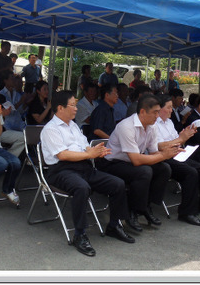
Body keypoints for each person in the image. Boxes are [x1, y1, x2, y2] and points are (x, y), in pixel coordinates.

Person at [40, 90, 134, 256]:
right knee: (81, 187)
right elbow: (63, 155)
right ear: (60, 108)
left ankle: (114, 225)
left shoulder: (73, 126)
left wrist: (96, 151)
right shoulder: (50, 129)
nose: (76, 108)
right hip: (61, 170)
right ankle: (80, 234)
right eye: (73, 105)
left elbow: (85, 147)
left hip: (83, 166)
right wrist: (89, 155)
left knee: (117, 184)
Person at [99, 94, 181, 231]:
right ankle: (133, 211)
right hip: (112, 163)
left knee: (164, 168)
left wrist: (170, 152)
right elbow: (136, 160)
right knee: (144, 171)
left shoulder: (152, 126)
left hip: (131, 162)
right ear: (142, 111)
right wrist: (164, 155)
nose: (157, 116)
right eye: (155, 112)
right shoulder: (126, 126)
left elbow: (153, 153)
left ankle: (146, 206)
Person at [154, 94, 200, 225]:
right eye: (168, 107)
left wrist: (185, 135)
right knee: (191, 173)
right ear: (159, 109)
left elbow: (178, 141)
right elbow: (159, 146)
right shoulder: (154, 124)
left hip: (177, 153)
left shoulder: (169, 122)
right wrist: (180, 139)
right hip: (163, 158)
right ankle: (187, 212)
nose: (171, 110)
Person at [0, 70, 33, 157]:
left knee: (31, 134)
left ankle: (12, 156)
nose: (14, 81)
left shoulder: (17, 94)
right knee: (23, 138)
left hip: (18, 123)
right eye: (11, 78)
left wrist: (25, 103)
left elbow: (20, 111)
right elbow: (10, 109)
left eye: (14, 78)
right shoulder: (1, 94)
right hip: (7, 126)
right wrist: (21, 101)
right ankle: (10, 156)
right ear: (5, 80)